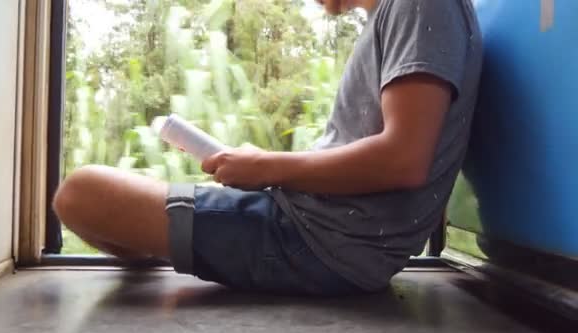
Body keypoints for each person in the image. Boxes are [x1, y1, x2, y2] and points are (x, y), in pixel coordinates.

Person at [54, 0, 483, 295]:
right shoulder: (405, 12)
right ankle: (198, 241)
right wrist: (257, 169)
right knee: (104, 204)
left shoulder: (421, 6)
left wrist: (267, 166)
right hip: (316, 231)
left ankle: (200, 243)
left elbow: (404, 160)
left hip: (314, 243)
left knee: (80, 193)